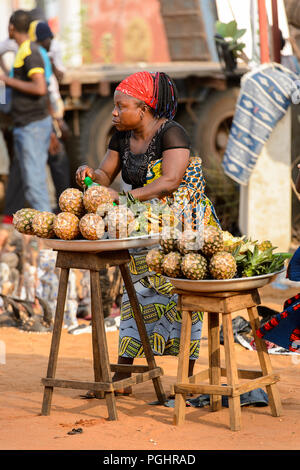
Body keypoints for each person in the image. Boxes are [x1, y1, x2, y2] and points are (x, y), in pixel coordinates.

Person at [76, 71, 221, 395]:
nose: (114, 113)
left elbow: (170, 181)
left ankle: (186, 384)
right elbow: (105, 174)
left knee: (183, 301)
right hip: (146, 224)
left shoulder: (171, 132)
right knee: (135, 296)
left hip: (183, 230)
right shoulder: (121, 137)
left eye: (120, 106)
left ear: (142, 108)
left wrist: (123, 197)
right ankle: (123, 378)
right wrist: (90, 175)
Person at [0, 10, 52, 218]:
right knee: (22, 179)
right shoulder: (23, 50)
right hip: (25, 125)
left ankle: (50, 239)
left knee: (35, 184)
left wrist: (6, 79)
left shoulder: (30, 52)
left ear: (12, 27)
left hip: (33, 126)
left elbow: (40, 88)